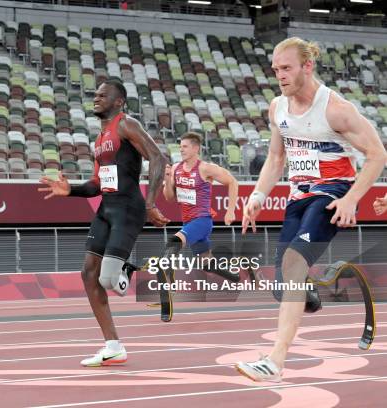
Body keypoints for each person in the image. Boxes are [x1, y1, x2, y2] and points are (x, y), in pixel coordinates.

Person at [235, 37, 387, 382]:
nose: (280, 76)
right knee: (284, 285)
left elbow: (378, 154)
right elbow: (276, 158)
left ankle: (274, 360)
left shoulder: (336, 109)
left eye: (286, 68)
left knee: (293, 265)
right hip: (297, 197)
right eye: (275, 70)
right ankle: (314, 288)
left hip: (332, 194)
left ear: (307, 66)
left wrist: (351, 199)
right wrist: (257, 197)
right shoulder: (278, 108)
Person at [39, 80, 169, 366]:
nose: (96, 98)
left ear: (119, 101)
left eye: (103, 95)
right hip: (106, 208)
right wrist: (70, 190)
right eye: (95, 93)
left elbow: (158, 157)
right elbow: (97, 184)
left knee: (109, 280)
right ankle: (113, 345)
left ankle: (134, 272)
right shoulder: (99, 139)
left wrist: (150, 203)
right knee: (88, 273)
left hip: (128, 207)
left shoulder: (127, 124)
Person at [156, 131, 240, 322]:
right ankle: (234, 277)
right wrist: (168, 179)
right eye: (180, 146)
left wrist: (230, 210)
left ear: (196, 148)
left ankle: (166, 298)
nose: (181, 150)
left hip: (202, 221)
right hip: (188, 222)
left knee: (172, 245)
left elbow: (232, 182)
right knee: (207, 263)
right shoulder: (176, 168)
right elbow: (169, 197)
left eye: (185, 146)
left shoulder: (206, 169)